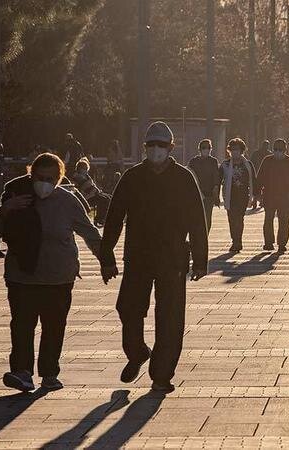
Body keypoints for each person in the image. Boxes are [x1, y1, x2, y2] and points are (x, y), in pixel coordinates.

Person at [100, 121, 208, 394]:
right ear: (145, 148)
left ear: (171, 148)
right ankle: (136, 353)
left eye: (161, 145)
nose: (156, 150)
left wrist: (200, 259)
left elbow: (197, 220)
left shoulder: (184, 178)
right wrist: (107, 255)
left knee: (170, 316)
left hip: (172, 257)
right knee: (128, 308)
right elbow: (114, 217)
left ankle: (162, 374)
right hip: (137, 256)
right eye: (152, 145)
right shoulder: (133, 177)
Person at [0, 153, 102, 392]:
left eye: (50, 178)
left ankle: (49, 373)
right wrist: (5, 209)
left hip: (58, 277)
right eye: (39, 177)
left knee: (54, 326)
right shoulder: (17, 194)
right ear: (31, 174)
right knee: (21, 325)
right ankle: (22, 372)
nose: (44, 183)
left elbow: (89, 232)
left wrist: (106, 260)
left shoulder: (68, 200)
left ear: (59, 178)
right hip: (22, 276)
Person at [255, 139, 289, 253]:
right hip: (270, 195)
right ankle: (268, 242)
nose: (278, 152)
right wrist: (257, 193)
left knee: (284, 221)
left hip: (286, 197)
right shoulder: (267, 161)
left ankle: (282, 243)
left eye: (280, 150)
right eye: (275, 150)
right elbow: (260, 177)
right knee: (268, 219)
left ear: (285, 150)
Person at [220, 138, 256, 252]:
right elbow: (218, 179)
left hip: (242, 197)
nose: (235, 152)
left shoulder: (248, 165)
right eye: (233, 149)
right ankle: (234, 240)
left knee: (239, 219)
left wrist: (255, 196)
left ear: (242, 151)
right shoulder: (225, 165)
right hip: (229, 197)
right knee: (231, 219)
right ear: (229, 151)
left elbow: (254, 180)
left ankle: (238, 241)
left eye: (238, 150)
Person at [187, 139, 221, 232]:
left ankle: (205, 237)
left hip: (209, 195)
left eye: (208, 148)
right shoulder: (193, 161)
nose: (206, 150)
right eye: (204, 148)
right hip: (196, 195)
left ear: (211, 149)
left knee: (207, 218)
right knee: (195, 218)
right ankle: (195, 237)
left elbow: (216, 177)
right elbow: (188, 176)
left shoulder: (213, 161)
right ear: (200, 149)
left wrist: (216, 191)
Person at [70, 158, 112, 227]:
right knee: (103, 200)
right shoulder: (77, 177)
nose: (85, 170)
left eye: (86, 168)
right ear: (79, 168)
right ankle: (99, 219)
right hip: (86, 197)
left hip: (92, 194)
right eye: (84, 168)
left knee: (108, 197)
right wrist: (95, 192)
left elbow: (92, 186)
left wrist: (97, 191)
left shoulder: (87, 176)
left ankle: (104, 217)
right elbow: (85, 188)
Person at [250, 140, 272, 209]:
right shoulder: (269, 154)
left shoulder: (256, 153)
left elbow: (251, 162)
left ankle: (255, 201)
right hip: (265, 174)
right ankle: (260, 201)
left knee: (257, 187)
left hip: (257, 173)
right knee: (263, 188)